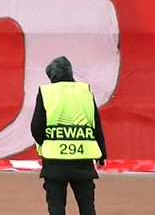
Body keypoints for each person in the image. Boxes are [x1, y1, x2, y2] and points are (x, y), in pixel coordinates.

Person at [30, 55, 105, 215]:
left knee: (56, 205)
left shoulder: (46, 92)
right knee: (87, 206)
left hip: (55, 161)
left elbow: (36, 127)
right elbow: (96, 125)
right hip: (83, 160)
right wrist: (102, 152)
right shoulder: (85, 92)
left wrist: (46, 142)